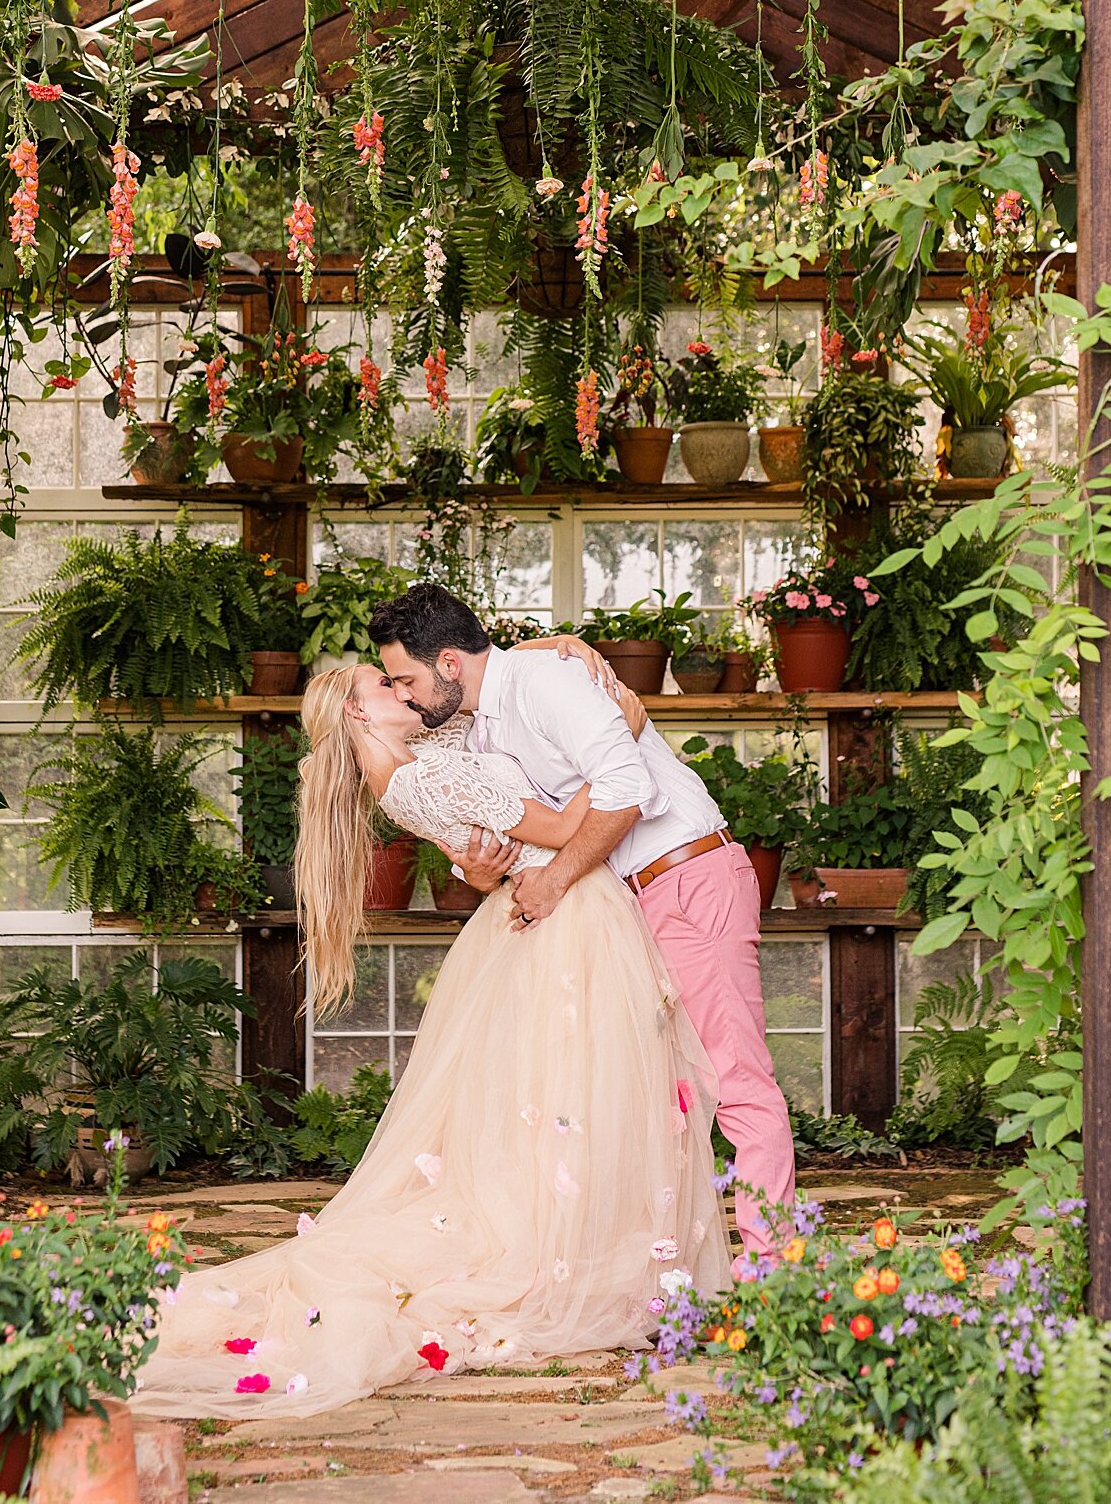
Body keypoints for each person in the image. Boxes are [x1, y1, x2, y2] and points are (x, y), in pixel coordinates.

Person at [132, 653, 728, 1420]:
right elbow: (555, 825)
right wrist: (626, 733)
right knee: (580, 1092)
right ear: (358, 712)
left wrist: (560, 652)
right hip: (566, 916)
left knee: (551, 1102)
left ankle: (578, 1249)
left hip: (536, 915)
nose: (405, 690)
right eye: (387, 686)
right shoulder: (419, 779)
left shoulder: (422, 763)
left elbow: (489, 788)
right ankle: (568, 1258)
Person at [369, 583, 796, 1261]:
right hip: (620, 907)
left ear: (449, 663)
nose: (406, 696)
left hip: (685, 881)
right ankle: (659, 1274)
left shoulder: (546, 685)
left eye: (407, 679)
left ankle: (775, 1272)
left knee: (736, 1079)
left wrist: (554, 879)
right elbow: (509, 825)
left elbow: (629, 790)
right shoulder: (480, 722)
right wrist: (477, 872)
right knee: (648, 1095)